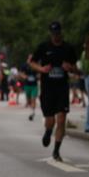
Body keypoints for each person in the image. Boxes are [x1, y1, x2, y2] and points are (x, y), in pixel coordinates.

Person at [30, 21, 79, 161]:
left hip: (62, 88)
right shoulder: (44, 47)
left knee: (62, 119)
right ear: (50, 34)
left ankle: (56, 150)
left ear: (61, 33)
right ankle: (48, 131)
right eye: (53, 34)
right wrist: (42, 69)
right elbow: (32, 62)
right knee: (50, 120)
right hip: (47, 89)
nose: (55, 36)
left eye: (57, 33)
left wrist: (69, 68)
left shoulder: (68, 48)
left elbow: (75, 68)